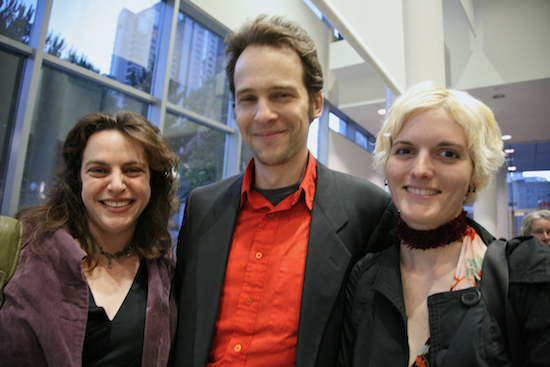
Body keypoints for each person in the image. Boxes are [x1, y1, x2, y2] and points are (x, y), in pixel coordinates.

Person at [171, 14, 396, 367]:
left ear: (316, 103)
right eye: (248, 98)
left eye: (281, 95)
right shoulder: (202, 207)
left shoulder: (367, 212)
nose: (263, 114)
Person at [338, 81, 550, 366]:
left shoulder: (524, 271)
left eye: (447, 153)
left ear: (475, 172)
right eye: (405, 151)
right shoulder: (364, 278)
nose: (421, 170)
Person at [0, 111, 179, 367]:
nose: (116, 185)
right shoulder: (21, 252)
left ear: (152, 183)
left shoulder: (166, 273)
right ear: (78, 180)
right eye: (99, 170)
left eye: (132, 170)